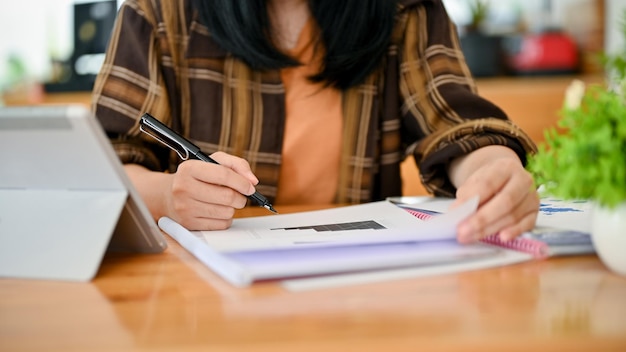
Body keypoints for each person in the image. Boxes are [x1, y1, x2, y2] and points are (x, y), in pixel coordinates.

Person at [92, 0, 540, 243]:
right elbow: (106, 169)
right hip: (197, 297)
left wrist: (494, 172)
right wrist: (169, 198)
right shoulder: (158, 11)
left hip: (356, 293)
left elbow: (456, 124)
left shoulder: (406, 9)